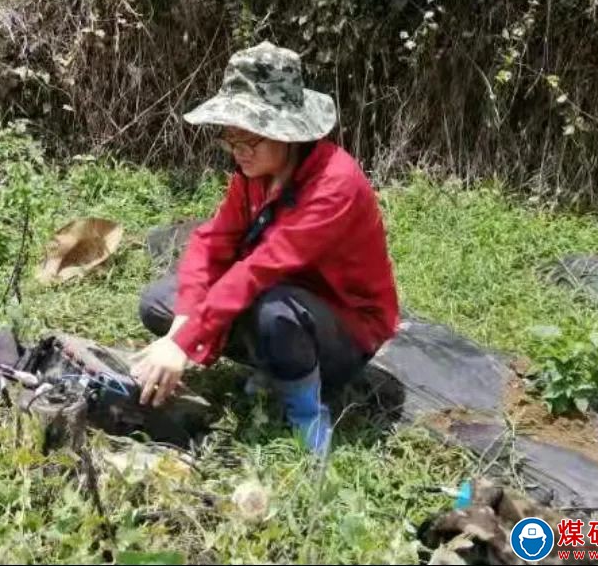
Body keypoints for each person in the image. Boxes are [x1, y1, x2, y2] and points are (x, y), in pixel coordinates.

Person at [131, 41, 400, 456]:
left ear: (285, 133)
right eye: (230, 139)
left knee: (276, 313)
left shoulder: (334, 184)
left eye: (250, 140)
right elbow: (212, 241)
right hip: (274, 294)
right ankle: (272, 366)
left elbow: (261, 268)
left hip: (342, 325)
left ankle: (306, 410)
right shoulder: (254, 172)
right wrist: (183, 323)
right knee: (159, 303)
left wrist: (184, 342)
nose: (239, 152)